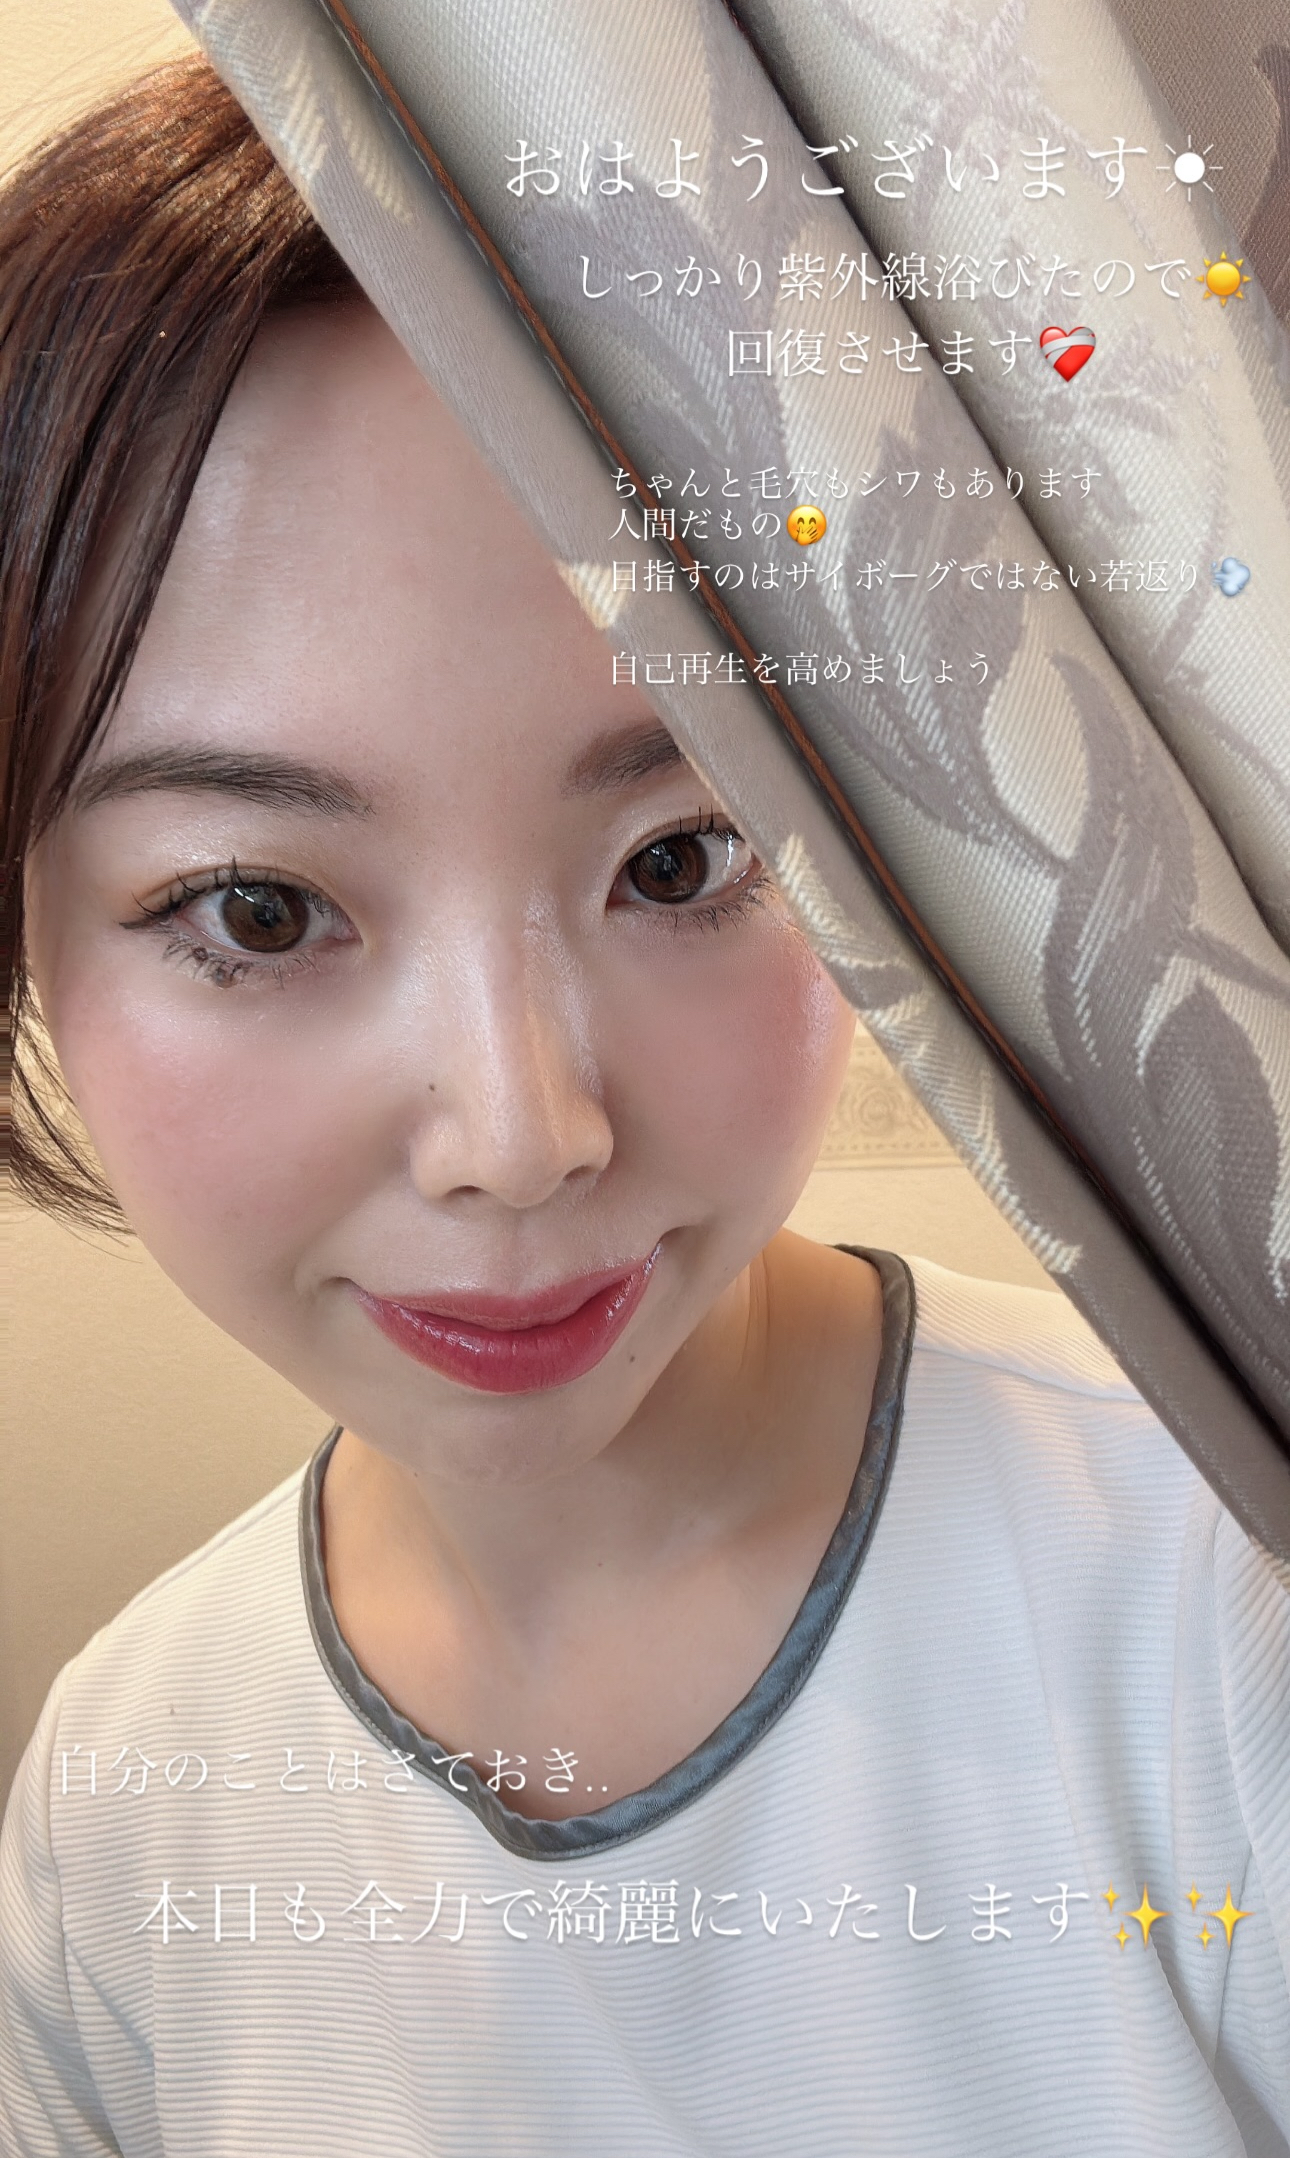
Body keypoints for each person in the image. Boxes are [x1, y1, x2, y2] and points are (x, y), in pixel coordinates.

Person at [1, 53, 1287, 2158]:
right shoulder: (121, 1793)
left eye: (682, 857)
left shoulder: (1218, 1593)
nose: (523, 1135)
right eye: (258, 908)